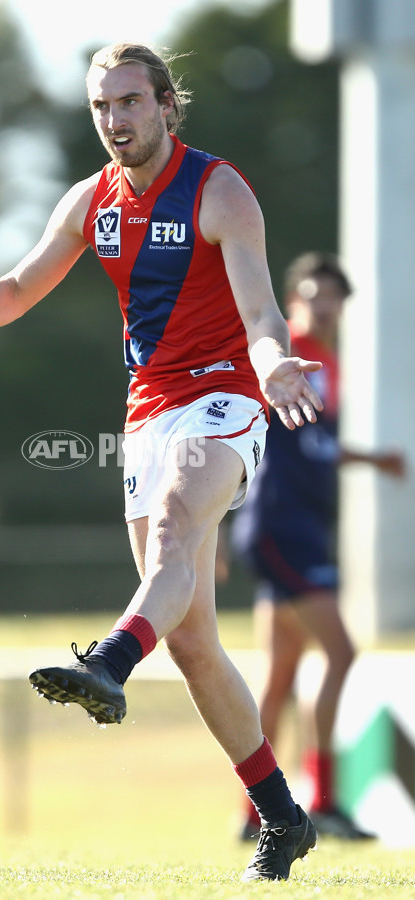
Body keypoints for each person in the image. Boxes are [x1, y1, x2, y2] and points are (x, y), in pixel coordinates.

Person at [0, 43, 324, 881]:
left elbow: (263, 311)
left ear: (168, 106)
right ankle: (282, 817)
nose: (115, 121)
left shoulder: (219, 190)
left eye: (131, 102)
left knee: (172, 527)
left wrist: (272, 360)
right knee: (195, 642)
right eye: (102, 108)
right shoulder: (94, 201)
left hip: (229, 399)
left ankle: (107, 663)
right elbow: (19, 288)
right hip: (147, 415)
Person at [230, 252, 406, 841]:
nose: (322, 304)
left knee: (280, 675)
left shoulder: (329, 363)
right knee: (341, 653)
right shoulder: (283, 354)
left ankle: (249, 815)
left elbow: (313, 446)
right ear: (293, 299)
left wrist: (371, 460)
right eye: (311, 293)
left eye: (333, 295)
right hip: (282, 525)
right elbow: (236, 424)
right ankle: (324, 799)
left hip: (300, 524)